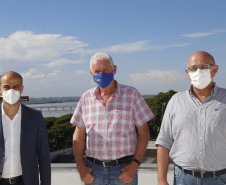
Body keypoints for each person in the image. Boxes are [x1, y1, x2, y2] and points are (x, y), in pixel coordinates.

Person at [71, 52, 154, 185]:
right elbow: (78, 136)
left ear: (114, 69)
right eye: (97, 71)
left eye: (105, 69)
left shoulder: (132, 95)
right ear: (91, 73)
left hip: (124, 170)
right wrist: (80, 167)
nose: (101, 74)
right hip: (93, 172)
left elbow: (144, 132)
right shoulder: (85, 98)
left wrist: (134, 165)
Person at [155, 51, 226, 185]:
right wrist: (161, 179)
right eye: (193, 68)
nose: (198, 72)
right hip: (183, 178)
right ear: (188, 74)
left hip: (220, 179)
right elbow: (164, 142)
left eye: (204, 67)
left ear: (215, 70)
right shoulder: (175, 101)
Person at [0, 71, 51, 185]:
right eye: (6, 87)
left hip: (25, 181)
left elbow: (44, 156)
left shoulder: (35, 117)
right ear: (0, 89)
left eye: (15, 87)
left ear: (21, 89)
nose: (11, 91)